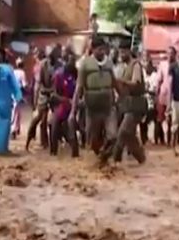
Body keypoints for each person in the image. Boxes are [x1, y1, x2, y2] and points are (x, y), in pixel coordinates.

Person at [70, 36, 119, 165]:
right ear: (93, 49)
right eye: (98, 49)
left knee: (113, 135)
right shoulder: (85, 64)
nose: (101, 52)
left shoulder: (109, 63)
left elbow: (115, 83)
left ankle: (104, 157)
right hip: (92, 108)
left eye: (103, 49)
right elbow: (78, 88)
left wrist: (123, 98)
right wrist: (72, 112)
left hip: (108, 106)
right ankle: (99, 159)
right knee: (92, 140)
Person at [112, 41, 147, 164]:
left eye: (123, 52)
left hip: (136, 104)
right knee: (129, 136)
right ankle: (141, 159)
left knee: (123, 132)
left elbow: (136, 82)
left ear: (128, 51)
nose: (121, 54)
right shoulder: (125, 66)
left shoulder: (136, 65)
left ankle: (115, 160)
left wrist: (121, 81)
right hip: (127, 104)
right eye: (120, 52)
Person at [26, 44, 62, 150]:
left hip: (55, 95)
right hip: (44, 94)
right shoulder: (42, 65)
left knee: (53, 120)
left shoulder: (60, 65)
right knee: (39, 119)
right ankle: (35, 140)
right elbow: (39, 84)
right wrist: (35, 101)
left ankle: (52, 142)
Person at [50, 50, 79, 157]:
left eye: (74, 61)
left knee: (72, 127)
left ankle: (75, 154)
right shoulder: (58, 75)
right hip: (61, 104)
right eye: (71, 61)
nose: (73, 64)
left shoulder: (76, 73)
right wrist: (65, 100)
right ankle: (53, 152)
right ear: (65, 61)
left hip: (73, 105)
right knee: (54, 124)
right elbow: (54, 94)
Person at [157, 46, 176, 145]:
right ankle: (160, 139)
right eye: (168, 53)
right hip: (163, 94)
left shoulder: (177, 66)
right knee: (160, 118)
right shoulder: (162, 65)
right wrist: (157, 93)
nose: (170, 55)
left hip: (173, 95)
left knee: (171, 119)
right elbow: (159, 80)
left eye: (172, 53)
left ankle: (170, 140)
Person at [142, 56, 161, 145]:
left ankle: (158, 140)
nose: (146, 66)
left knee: (157, 122)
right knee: (143, 122)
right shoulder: (142, 74)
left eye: (147, 64)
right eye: (144, 63)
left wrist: (146, 90)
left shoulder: (155, 75)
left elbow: (155, 90)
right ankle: (144, 140)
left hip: (153, 102)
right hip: (143, 102)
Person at [11, 57, 28, 138]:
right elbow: (24, 85)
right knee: (16, 111)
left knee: (16, 111)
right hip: (18, 92)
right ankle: (14, 129)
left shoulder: (13, 72)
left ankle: (17, 128)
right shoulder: (22, 73)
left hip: (12, 92)